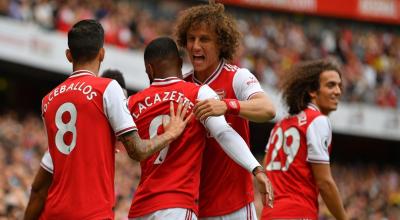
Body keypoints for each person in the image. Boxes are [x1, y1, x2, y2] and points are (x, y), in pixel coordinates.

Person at [23, 20, 190, 220]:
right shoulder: (107, 88)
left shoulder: (48, 101)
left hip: (53, 213)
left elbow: (40, 185)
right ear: (102, 53)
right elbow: (137, 151)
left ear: (69, 55)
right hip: (92, 214)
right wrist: (171, 133)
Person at [126, 37, 272, 220]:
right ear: (180, 62)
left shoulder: (131, 103)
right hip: (176, 205)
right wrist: (256, 168)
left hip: (140, 208)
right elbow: (223, 132)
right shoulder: (198, 92)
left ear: (149, 69)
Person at [175, 2, 276, 219]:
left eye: (204, 39)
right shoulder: (182, 86)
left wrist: (228, 105)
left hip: (235, 206)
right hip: (194, 207)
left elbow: (268, 109)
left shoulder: (237, 76)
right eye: (191, 38)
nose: (195, 46)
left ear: (221, 44)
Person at [261, 59, 348, 220]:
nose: (338, 91)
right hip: (298, 212)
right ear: (312, 92)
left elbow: (264, 176)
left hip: (269, 214)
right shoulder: (317, 120)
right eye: (331, 85)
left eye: (339, 86)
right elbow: (325, 183)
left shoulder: (281, 125)